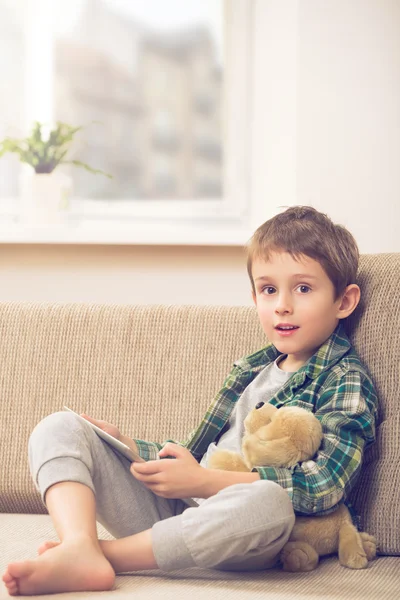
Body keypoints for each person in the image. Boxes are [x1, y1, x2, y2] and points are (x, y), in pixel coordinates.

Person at [2, 206, 378, 596]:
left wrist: (205, 481)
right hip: (182, 516)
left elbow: (326, 486)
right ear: (254, 296)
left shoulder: (344, 379)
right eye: (269, 289)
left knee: (269, 500)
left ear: (344, 301)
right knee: (59, 427)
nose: (282, 304)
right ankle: (79, 546)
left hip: (253, 531)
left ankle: (105, 555)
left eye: (302, 288)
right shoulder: (251, 369)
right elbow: (197, 457)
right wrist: (131, 448)